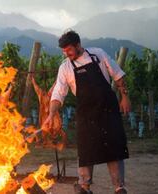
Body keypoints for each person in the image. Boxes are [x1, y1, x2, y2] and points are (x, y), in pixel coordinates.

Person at [43, 30, 130, 194]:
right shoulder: (65, 67)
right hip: (86, 114)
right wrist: (51, 113)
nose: (66, 54)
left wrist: (125, 97)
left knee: (114, 148)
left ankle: (119, 187)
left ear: (78, 45)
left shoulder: (98, 54)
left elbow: (118, 75)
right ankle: (84, 187)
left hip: (108, 110)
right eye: (63, 51)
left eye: (69, 50)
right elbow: (58, 94)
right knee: (85, 150)